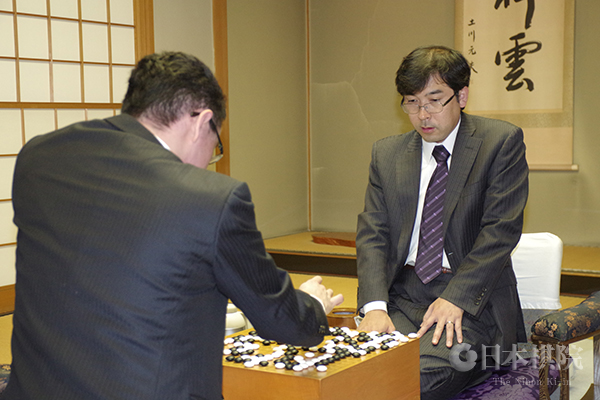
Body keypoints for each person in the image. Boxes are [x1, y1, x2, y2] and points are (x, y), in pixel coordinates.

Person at [2, 52, 343, 400]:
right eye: (216, 145)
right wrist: (312, 305)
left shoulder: (38, 157)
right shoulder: (210, 198)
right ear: (201, 121)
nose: (209, 160)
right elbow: (280, 319)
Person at [356, 45, 528, 400]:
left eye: (434, 101)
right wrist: (374, 307)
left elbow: (500, 231)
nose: (423, 115)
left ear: (461, 96)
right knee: (356, 369)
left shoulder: (500, 142)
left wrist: (455, 298)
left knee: (414, 378)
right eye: (412, 102)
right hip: (403, 297)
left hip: (470, 304)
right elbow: (373, 234)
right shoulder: (386, 154)